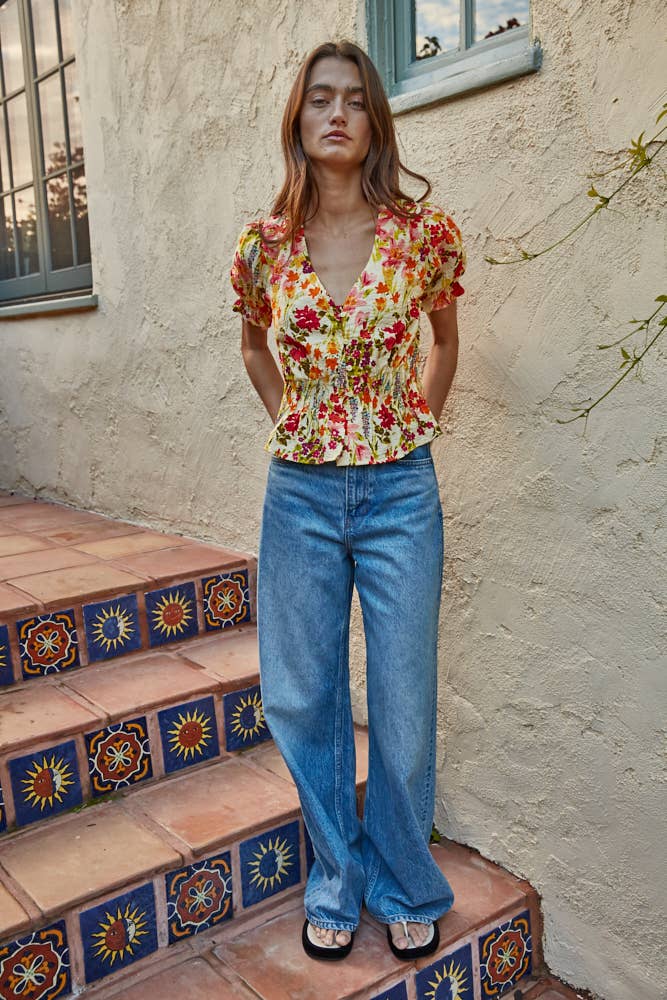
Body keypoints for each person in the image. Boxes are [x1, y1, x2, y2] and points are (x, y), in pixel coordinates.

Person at [230, 39, 466, 963]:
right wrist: (302, 422)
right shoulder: (264, 245)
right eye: (319, 98)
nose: (336, 113)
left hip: (401, 488)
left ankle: (405, 880)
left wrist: (415, 424)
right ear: (298, 118)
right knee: (302, 696)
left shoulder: (421, 236)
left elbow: (444, 344)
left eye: (354, 101)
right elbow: (255, 349)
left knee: (401, 701)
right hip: (299, 493)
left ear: (375, 121)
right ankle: (333, 878)